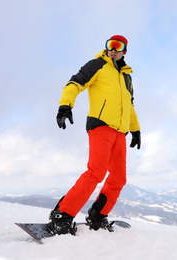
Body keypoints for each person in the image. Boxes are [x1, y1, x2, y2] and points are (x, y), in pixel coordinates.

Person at [48, 35, 141, 235]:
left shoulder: (127, 77)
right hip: (101, 125)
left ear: (125, 51)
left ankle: (97, 215)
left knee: (118, 178)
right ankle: (62, 214)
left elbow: (130, 106)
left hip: (120, 131)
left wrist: (135, 129)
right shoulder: (97, 65)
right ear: (106, 48)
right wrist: (65, 105)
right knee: (96, 171)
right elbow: (75, 83)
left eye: (118, 46)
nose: (113, 49)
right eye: (110, 45)